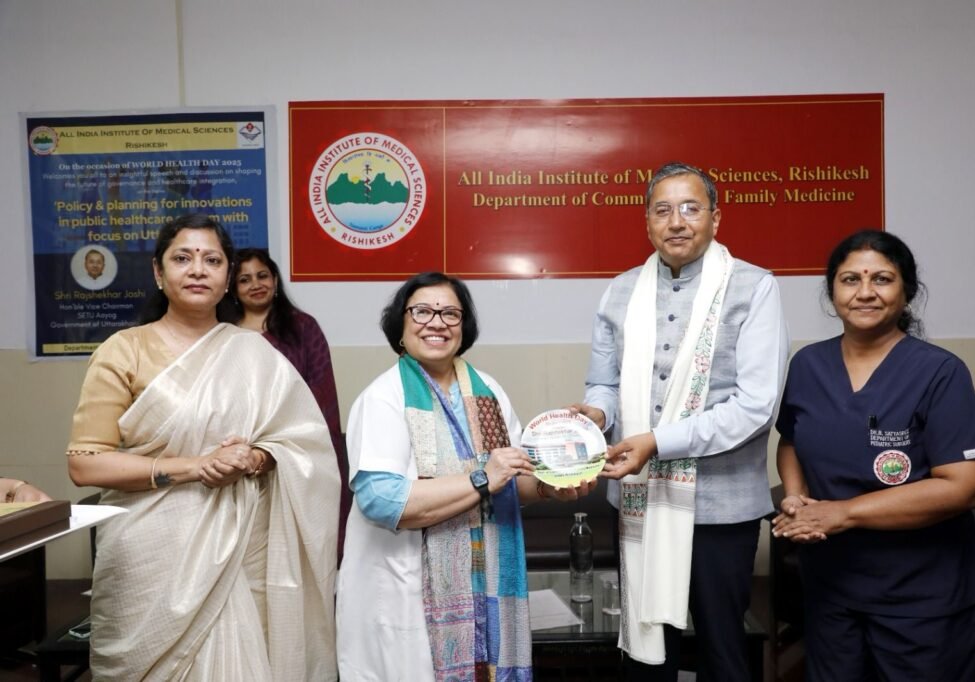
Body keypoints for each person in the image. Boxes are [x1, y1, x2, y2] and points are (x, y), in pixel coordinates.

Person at [66, 213, 340, 681]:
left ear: (227, 276)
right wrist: (196, 466)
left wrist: (256, 456)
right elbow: (85, 465)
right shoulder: (124, 349)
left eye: (212, 260)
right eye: (182, 258)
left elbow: (303, 442)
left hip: (242, 547)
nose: (197, 269)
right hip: (150, 552)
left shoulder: (256, 354)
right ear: (158, 271)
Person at [572, 162, 789, 680]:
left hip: (721, 508)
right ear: (647, 222)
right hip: (639, 500)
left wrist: (657, 441)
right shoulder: (621, 291)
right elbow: (602, 382)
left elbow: (755, 406)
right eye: (663, 210)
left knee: (723, 651)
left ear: (716, 217)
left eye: (691, 208)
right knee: (645, 653)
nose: (676, 222)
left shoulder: (754, 287)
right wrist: (597, 413)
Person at [336, 272, 595, 681]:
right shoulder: (384, 397)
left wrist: (550, 486)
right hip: (410, 589)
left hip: (486, 583)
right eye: (422, 311)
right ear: (400, 326)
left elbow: (509, 478)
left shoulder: (486, 392)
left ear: (464, 327)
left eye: (450, 314)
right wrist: (480, 479)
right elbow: (382, 500)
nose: (437, 323)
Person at [772, 230, 975, 681]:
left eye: (883, 279)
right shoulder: (808, 365)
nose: (866, 292)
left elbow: (967, 485)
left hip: (920, 595)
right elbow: (791, 441)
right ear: (833, 291)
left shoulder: (940, 372)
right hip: (831, 587)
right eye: (851, 279)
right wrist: (795, 495)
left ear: (906, 291)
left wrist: (844, 512)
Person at [230, 247, 351, 566]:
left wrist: (300, 442)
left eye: (262, 276)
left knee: (301, 549)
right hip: (241, 452)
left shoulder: (302, 327)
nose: (255, 284)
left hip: (299, 450)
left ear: (275, 280)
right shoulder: (224, 333)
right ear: (232, 288)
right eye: (244, 279)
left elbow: (322, 392)